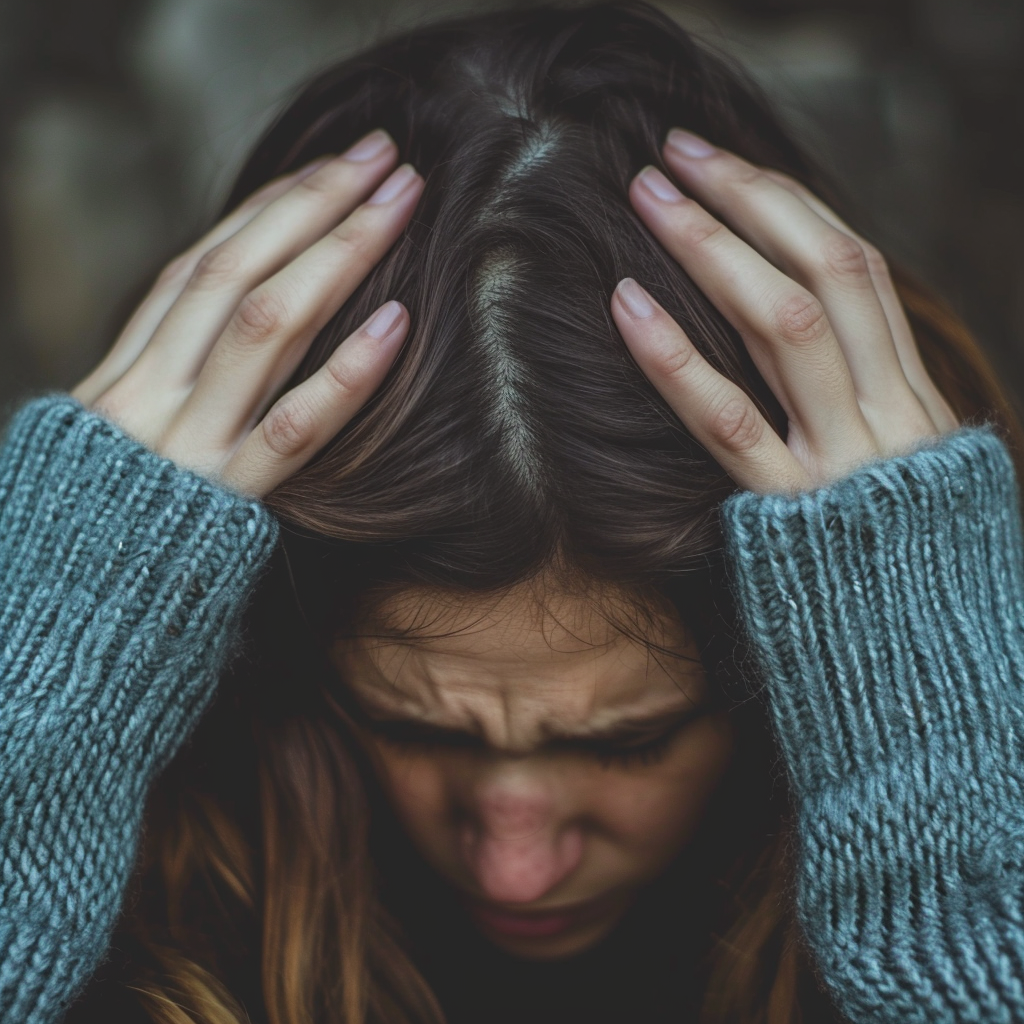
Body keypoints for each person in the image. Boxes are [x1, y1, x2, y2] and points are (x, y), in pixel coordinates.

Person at [2, 1, 1024, 1021]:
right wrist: (35, 744)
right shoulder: (170, 882)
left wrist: (955, 904)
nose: (515, 867)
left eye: (627, 742)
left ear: (835, 669)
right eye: (413, 727)